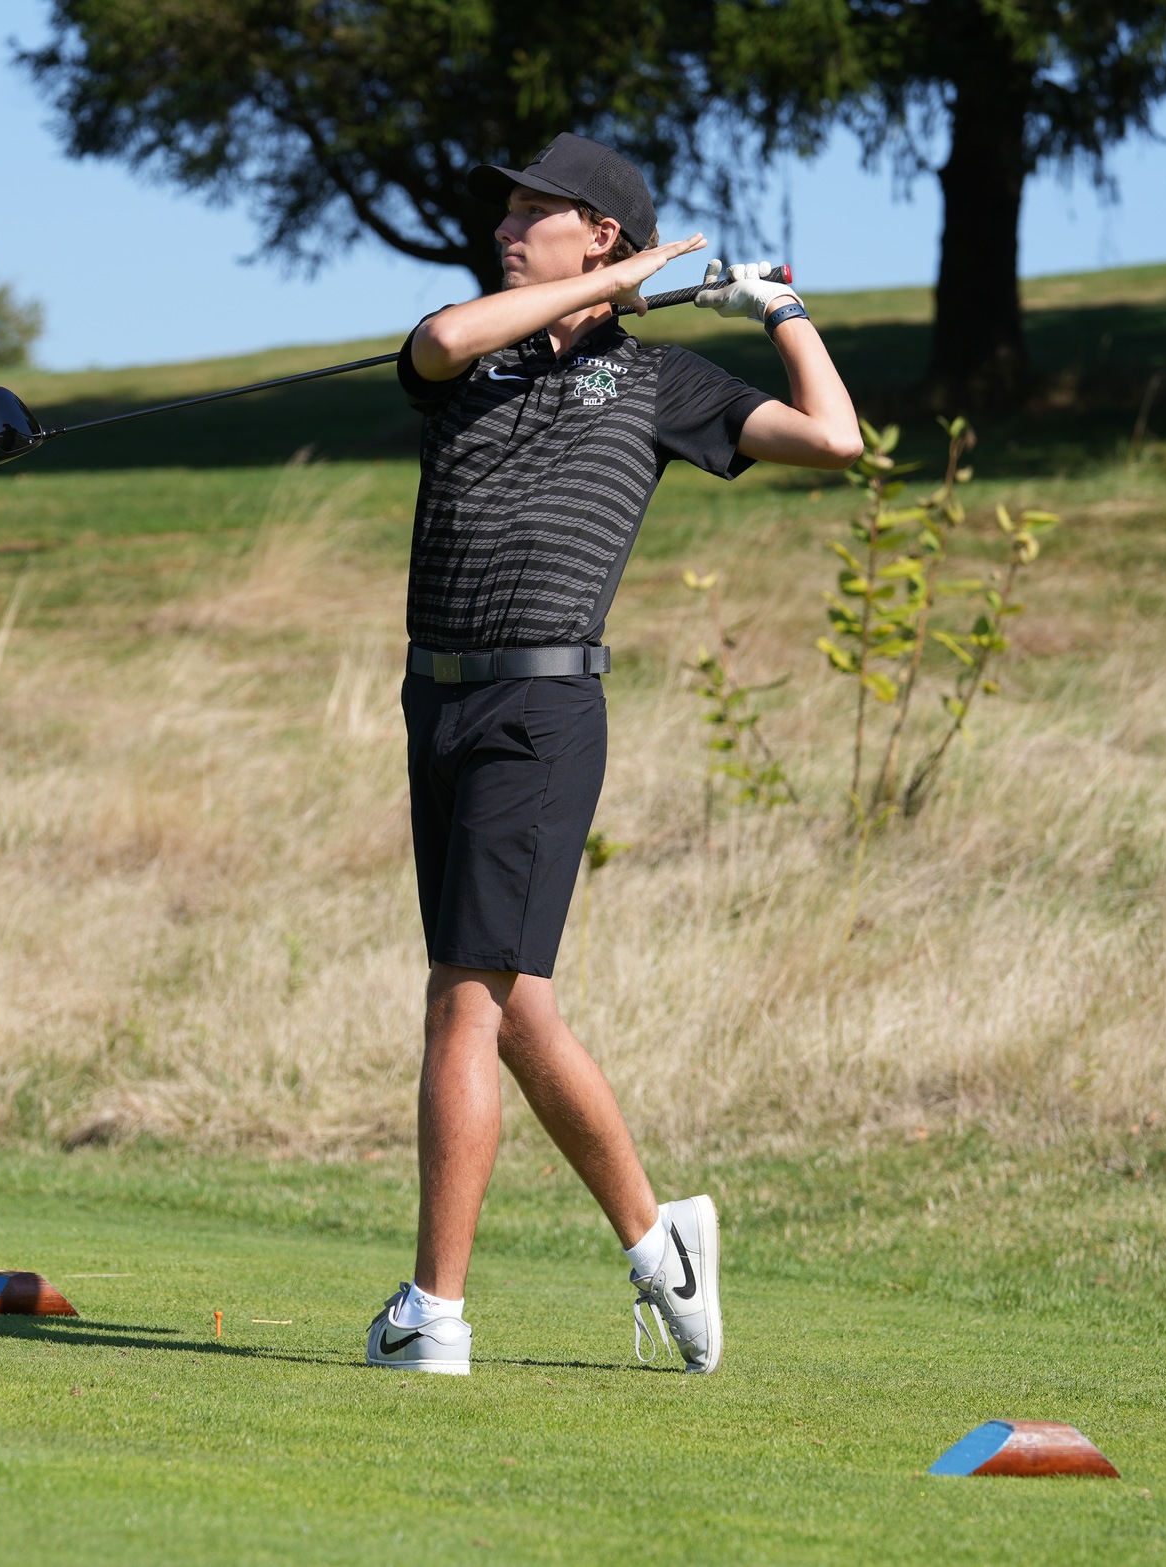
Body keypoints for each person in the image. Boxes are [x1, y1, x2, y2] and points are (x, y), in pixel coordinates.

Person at [362, 133, 863, 1378]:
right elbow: (434, 343)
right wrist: (611, 282)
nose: (503, 227)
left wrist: (778, 308)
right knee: (516, 1005)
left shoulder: (656, 386)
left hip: (538, 714)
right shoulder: (468, 352)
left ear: (598, 231)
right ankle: (658, 1246)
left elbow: (835, 440)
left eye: (532, 212)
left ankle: (436, 1313)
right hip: (436, 705)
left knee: (461, 1001)